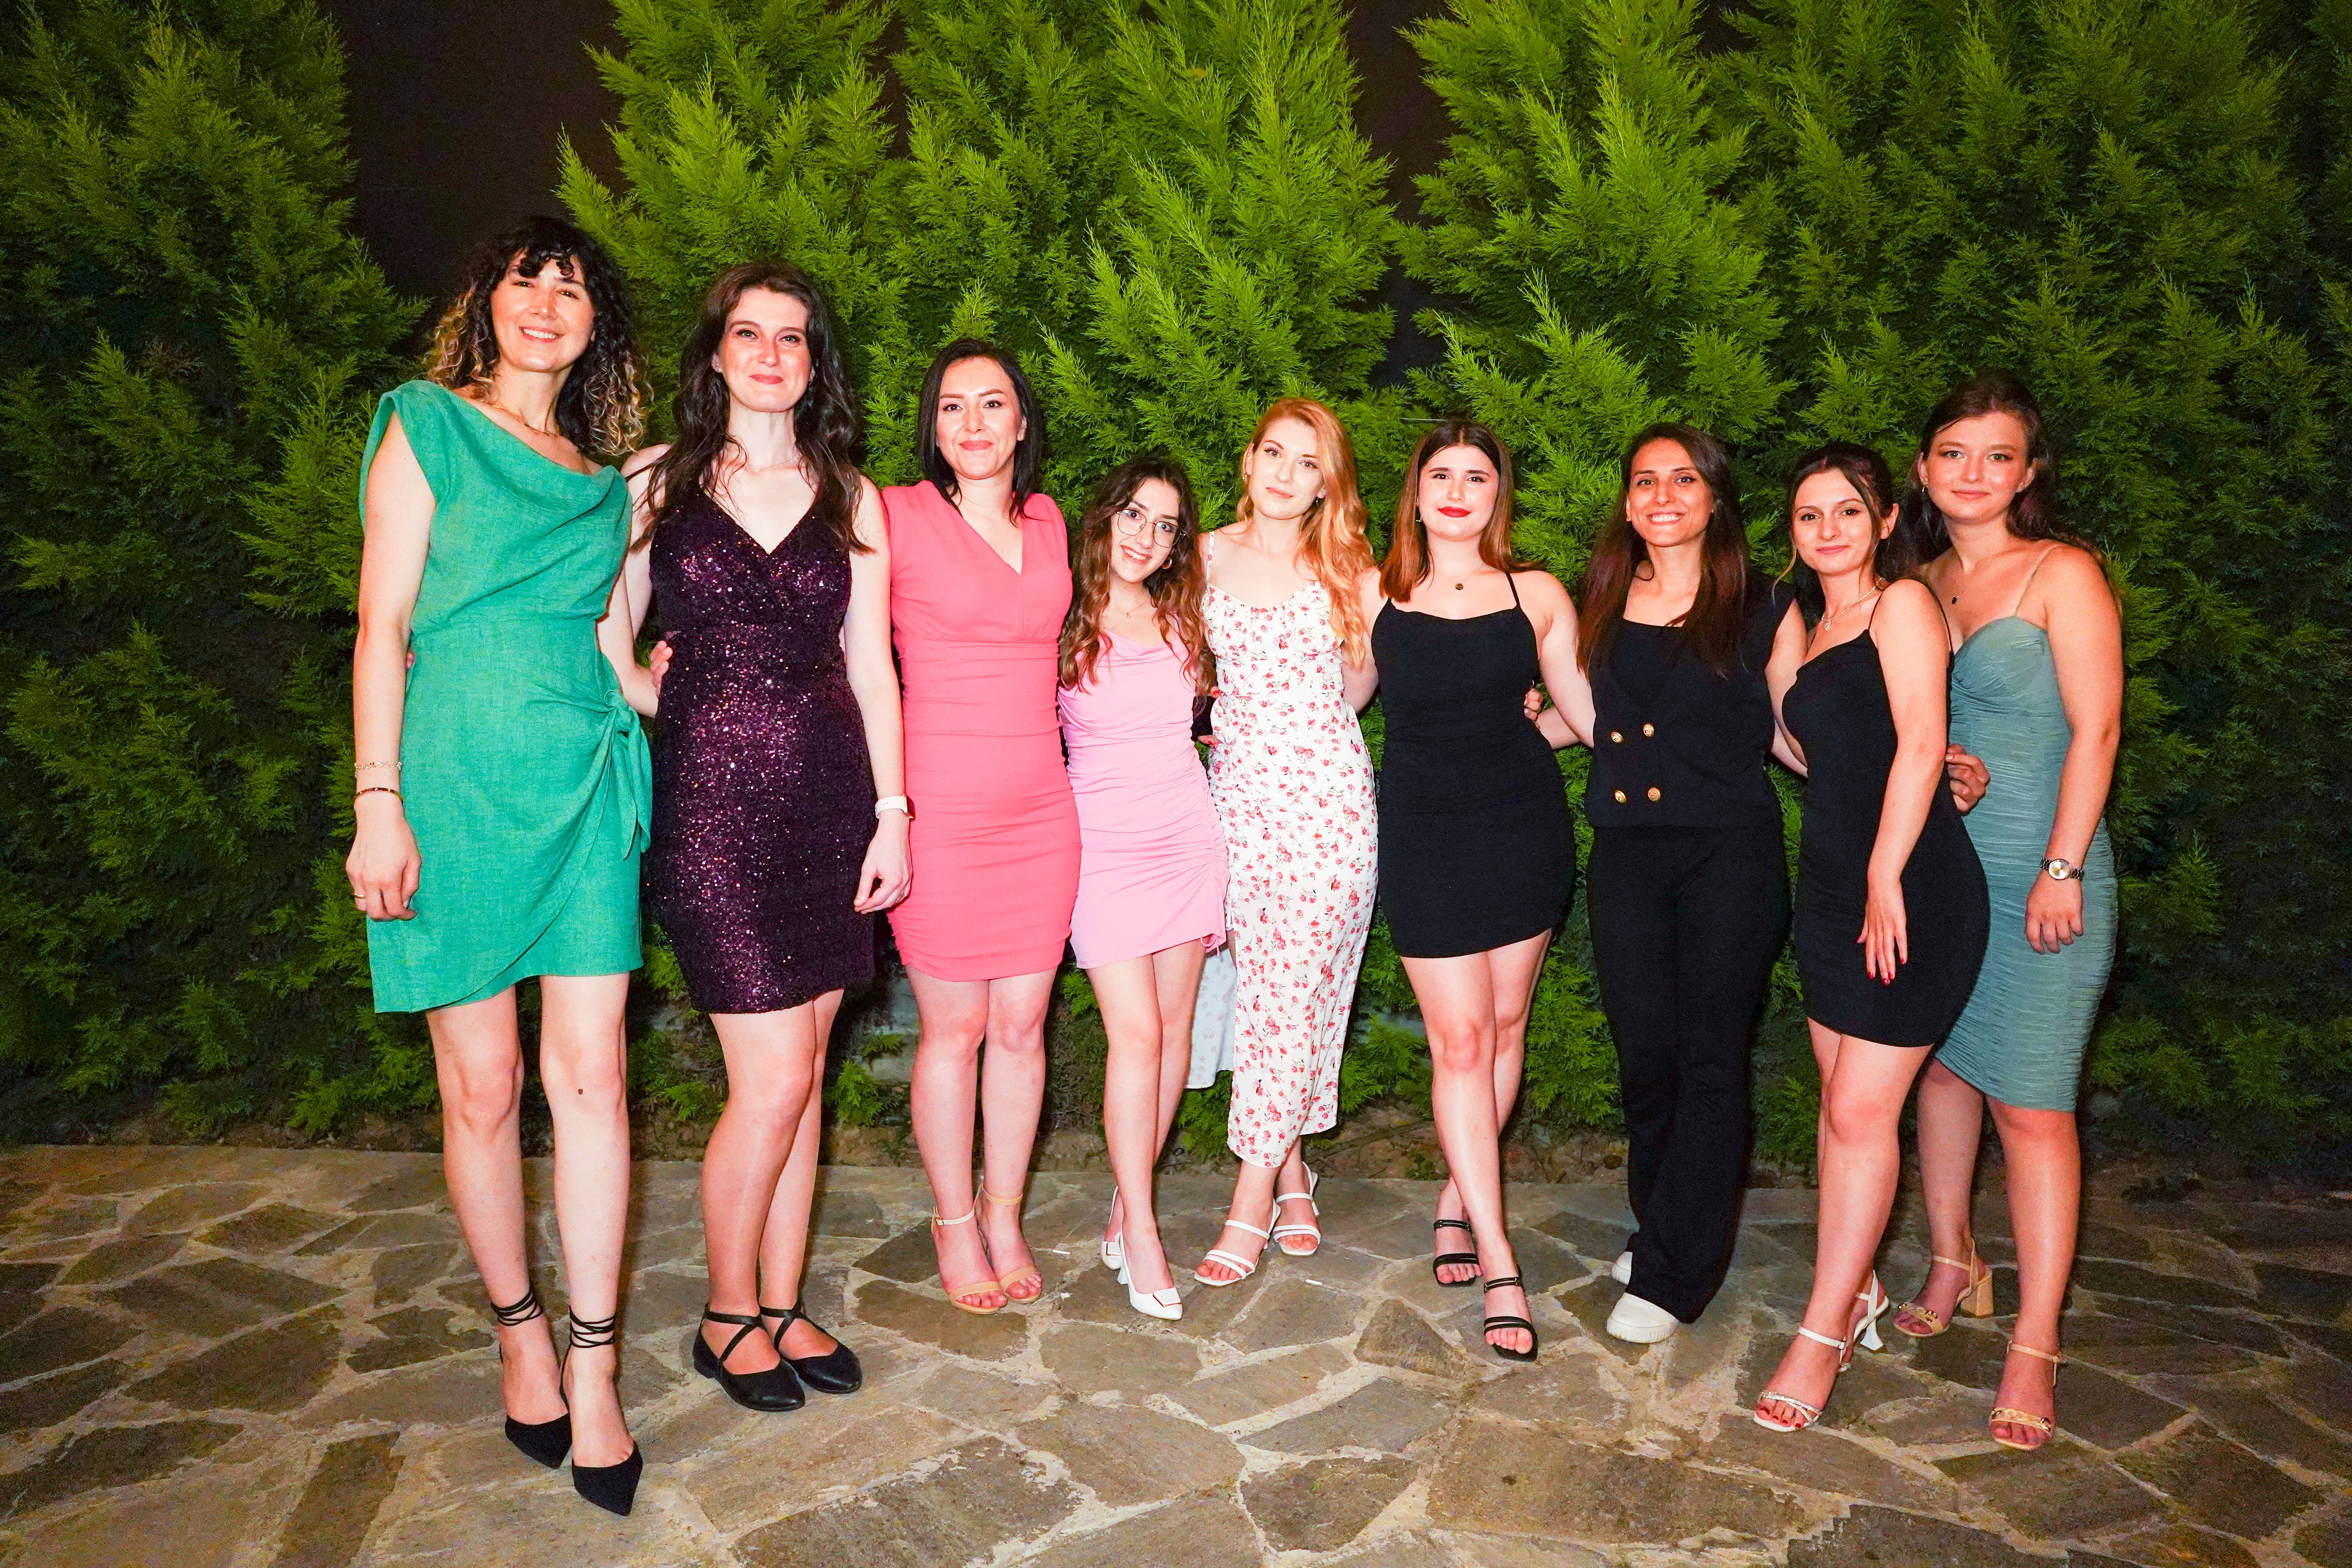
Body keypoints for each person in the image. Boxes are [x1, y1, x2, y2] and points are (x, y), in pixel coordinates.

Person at [345, 216, 651, 1515]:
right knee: (482, 1087)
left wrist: (671, 685)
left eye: (572, 292)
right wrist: (378, 802)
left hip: (583, 784)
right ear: (487, 301)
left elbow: (614, 643)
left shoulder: (602, 483)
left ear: (595, 329)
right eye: (528, 282)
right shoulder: (424, 424)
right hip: (452, 781)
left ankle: (595, 1366)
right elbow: (383, 624)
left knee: (594, 1077)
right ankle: (519, 1331)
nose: (545, 305)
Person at [624, 263, 905, 1412]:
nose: (771, 354)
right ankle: (726, 1312)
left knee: (809, 1074)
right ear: (716, 353)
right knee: (772, 1077)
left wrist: (894, 815)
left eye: (793, 338)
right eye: (750, 333)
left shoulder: (853, 494)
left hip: (834, 801)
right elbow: (600, 627)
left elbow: (872, 666)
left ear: (814, 362)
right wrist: (648, 689)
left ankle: (782, 1303)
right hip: (712, 814)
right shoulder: (656, 479)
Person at [1890, 372, 2121, 1452]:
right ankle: (1954, 1260)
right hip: (1945, 865)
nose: (1972, 473)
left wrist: (2062, 865)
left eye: (1997, 455)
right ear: (1924, 468)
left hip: (2043, 865)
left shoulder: (2062, 573)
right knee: (1940, 1073)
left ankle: (2036, 1339)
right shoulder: (1919, 583)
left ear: (2029, 473)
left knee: (2032, 1107)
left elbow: (2098, 731)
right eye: (1953, 452)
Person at [1751, 443, 1989, 1431]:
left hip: (1912, 884)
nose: (1828, 530)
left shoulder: (1903, 606)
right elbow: (1800, 747)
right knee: (1842, 1112)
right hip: (1828, 889)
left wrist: (1886, 873)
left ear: (1887, 519)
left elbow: (1922, 741)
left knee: (1858, 1110)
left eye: (1848, 511)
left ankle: (1821, 1330)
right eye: (1810, 515)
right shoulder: (1808, 627)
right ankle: (1856, 1290)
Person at [1360, 420, 1589, 1361]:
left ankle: (1460, 1196)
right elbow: (1336, 702)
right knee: (1458, 1038)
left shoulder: (1536, 592)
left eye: (1478, 476)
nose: (1458, 490)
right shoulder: (1374, 589)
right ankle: (1500, 1258)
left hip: (1522, 826)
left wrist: (1539, 730)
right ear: (1416, 492)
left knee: (1502, 1028)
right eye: (1442, 474)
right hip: (1424, 832)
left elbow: (1587, 712)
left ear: (1500, 493)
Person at [1575, 423, 1806, 1345]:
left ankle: (1677, 1273)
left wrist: (1902, 766)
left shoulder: (1764, 604)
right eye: (1644, 480)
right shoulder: (1600, 596)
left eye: (1682, 479)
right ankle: (1662, 1227)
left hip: (1728, 857)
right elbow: (1586, 714)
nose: (1662, 495)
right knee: (1646, 1058)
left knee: (1710, 1059)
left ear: (1715, 499)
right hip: (1627, 855)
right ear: (1628, 502)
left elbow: (1795, 733)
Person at [885, 339, 1077, 1315]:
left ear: (1022, 421)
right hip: (939, 811)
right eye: (953, 405)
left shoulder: (1050, 522)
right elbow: (830, 630)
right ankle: (953, 1219)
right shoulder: (895, 513)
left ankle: (1005, 1212)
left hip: (1043, 810)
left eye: (993, 403)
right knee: (954, 1027)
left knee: (1022, 1024)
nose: (973, 422)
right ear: (934, 425)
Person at [1191, 398, 1379, 1289]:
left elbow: (1360, 689)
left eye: (1309, 464)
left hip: (1329, 806)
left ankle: (1249, 1198)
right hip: (1235, 806)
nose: (1285, 474)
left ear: (1326, 487)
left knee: (1300, 989)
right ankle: (1294, 1169)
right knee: (1269, 996)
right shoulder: (1201, 556)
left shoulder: (1352, 572)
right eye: (1275, 452)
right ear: (1248, 458)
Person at [1057, 458, 1226, 1322]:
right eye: (1134, 514)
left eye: (1165, 525)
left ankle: (1128, 1208)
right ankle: (1147, 1229)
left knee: (1172, 1035)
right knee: (1136, 1037)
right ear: (1104, 516)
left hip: (1187, 836)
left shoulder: (1186, 618)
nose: (1146, 536)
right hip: (1103, 848)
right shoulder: (1059, 615)